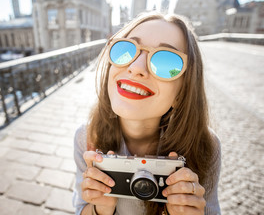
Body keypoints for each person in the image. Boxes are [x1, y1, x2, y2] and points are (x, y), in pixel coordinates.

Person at [73, 11, 221, 215]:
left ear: (183, 92)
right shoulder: (87, 139)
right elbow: (80, 208)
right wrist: (99, 210)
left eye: (166, 62)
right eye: (126, 49)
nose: (135, 67)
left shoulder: (205, 145)